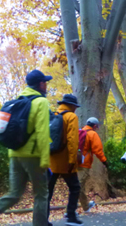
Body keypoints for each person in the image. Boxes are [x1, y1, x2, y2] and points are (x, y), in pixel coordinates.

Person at [0, 70, 52, 226]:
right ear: (41, 84)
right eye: (45, 82)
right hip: (33, 156)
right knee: (41, 194)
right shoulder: (41, 102)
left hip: (14, 154)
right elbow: (42, 132)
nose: (46, 85)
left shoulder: (16, 101)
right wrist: (45, 160)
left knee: (14, 194)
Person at [47, 94, 82, 226]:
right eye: (75, 106)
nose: (76, 109)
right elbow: (73, 140)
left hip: (50, 161)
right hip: (65, 161)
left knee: (47, 192)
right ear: (72, 105)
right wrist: (72, 161)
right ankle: (71, 216)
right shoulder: (71, 117)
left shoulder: (53, 115)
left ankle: (43, 219)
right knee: (75, 187)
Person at [78, 117, 108, 212]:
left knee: (78, 186)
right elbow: (98, 150)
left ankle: (85, 206)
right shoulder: (92, 134)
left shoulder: (79, 131)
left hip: (74, 162)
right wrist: (104, 161)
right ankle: (69, 211)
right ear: (94, 126)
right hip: (84, 164)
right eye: (97, 127)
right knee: (77, 186)